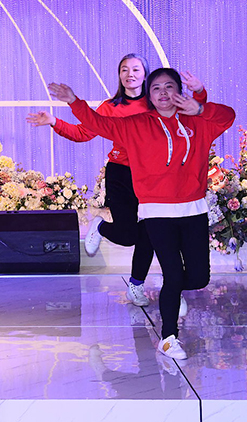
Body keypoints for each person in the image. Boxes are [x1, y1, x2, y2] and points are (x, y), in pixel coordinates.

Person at [48, 70, 234, 360]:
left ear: (179, 91)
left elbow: (228, 116)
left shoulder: (199, 122)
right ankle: (168, 338)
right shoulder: (136, 124)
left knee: (198, 278)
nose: (163, 92)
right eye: (156, 88)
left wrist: (200, 104)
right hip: (156, 212)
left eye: (169, 86)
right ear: (149, 95)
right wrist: (74, 101)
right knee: (174, 274)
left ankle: (170, 292)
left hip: (193, 210)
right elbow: (98, 123)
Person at [27, 55, 207, 307]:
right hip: (121, 174)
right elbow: (83, 132)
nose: (130, 74)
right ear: (119, 75)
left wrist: (199, 91)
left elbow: (197, 114)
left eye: (136, 69)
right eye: (124, 70)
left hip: (156, 178)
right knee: (129, 234)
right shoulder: (111, 107)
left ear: (146, 75)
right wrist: (54, 121)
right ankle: (102, 227)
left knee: (150, 235)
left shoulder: (159, 102)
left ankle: (145, 286)